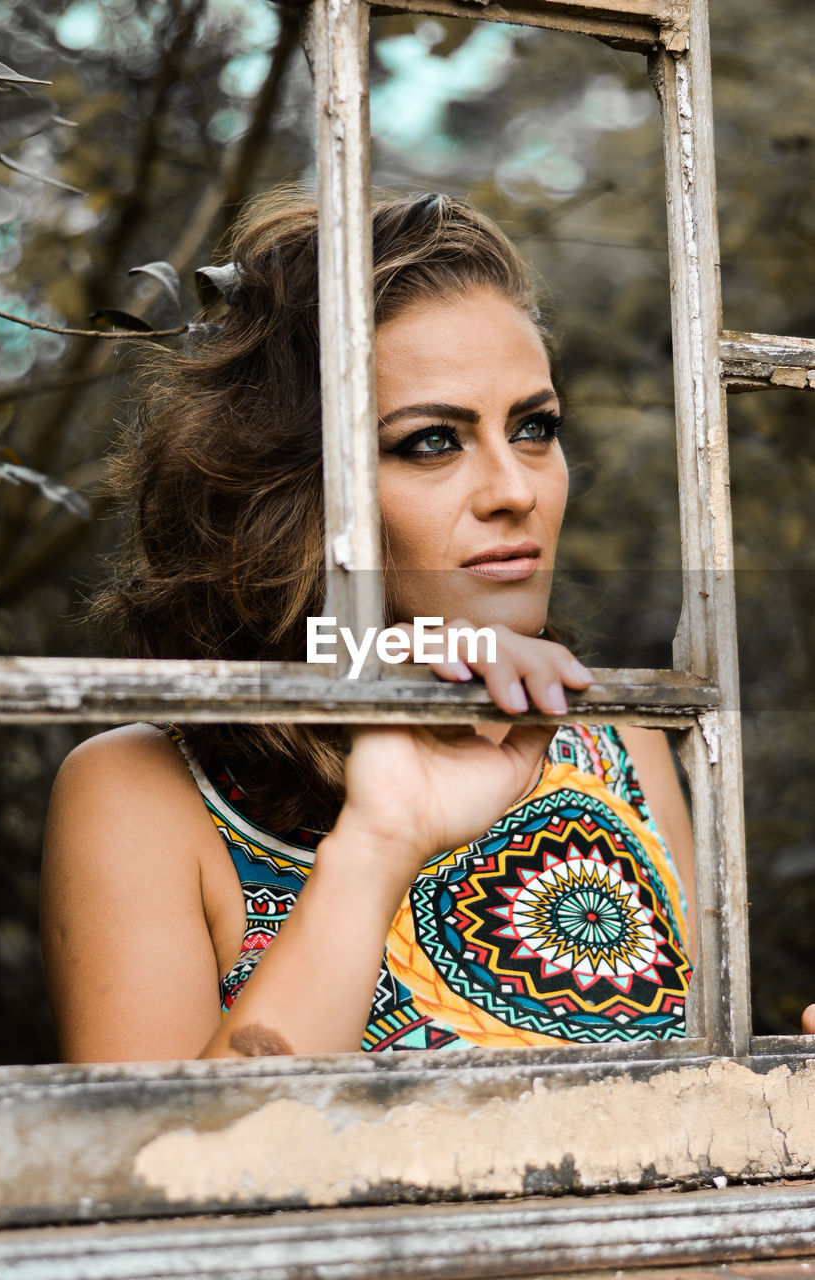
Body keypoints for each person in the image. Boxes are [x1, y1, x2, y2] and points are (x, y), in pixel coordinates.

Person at [40, 191, 696, 1062]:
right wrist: (378, 843)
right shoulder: (142, 794)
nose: (518, 490)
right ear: (292, 489)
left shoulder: (618, 742)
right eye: (431, 441)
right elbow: (156, 1179)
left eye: (535, 428)